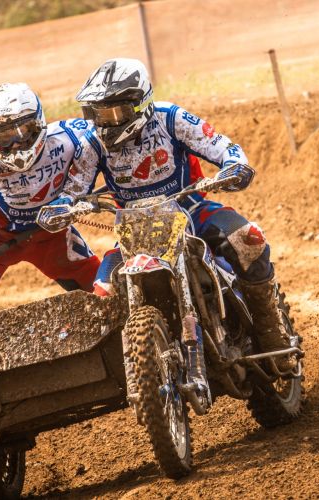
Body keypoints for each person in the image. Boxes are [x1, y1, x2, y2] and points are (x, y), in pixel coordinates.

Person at [54, 58, 295, 380]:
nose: (104, 122)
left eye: (112, 113)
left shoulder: (170, 118)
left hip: (190, 208)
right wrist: (63, 207)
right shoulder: (92, 142)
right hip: (135, 227)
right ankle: (135, 369)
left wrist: (234, 166)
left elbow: (222, 146)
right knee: (103, 292)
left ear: (139, 104)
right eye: (97, 113)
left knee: (248, 238)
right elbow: (72, 189)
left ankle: (270, 329)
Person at [0, 82, 101, 430]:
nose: (16, 144)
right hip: (1, 237)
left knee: (106, 288)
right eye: (3, 137)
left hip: (53, 233)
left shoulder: (70, 137)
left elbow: (107, 136)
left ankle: (130, 350)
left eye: (23, 131)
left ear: (39, 122)